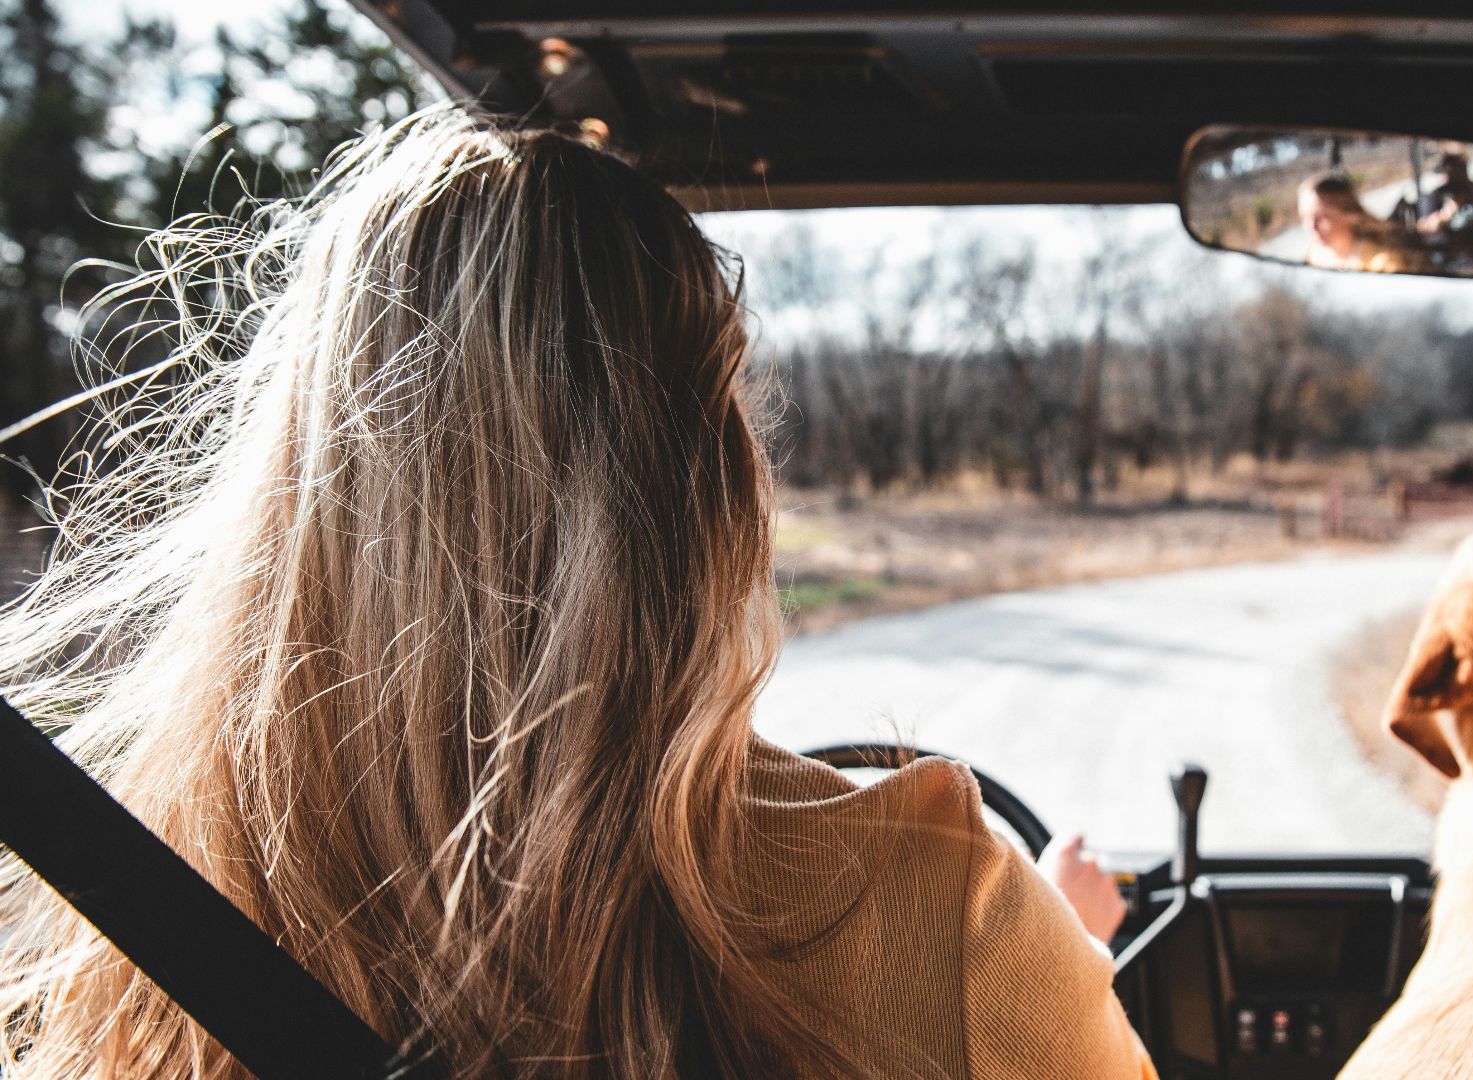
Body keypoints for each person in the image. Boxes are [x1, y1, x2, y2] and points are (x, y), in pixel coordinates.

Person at [0, 108, 1153, 1079]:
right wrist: (1059, 948)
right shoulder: (945, 924)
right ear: (714, 495)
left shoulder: (137, 949)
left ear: (303, 498)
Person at [1295, 172, 1411, 274]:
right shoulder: (1315, 259)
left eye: (1322, 218)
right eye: (1304, 217)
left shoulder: (1384, 266)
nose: (1311, 227)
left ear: (1351, 216)